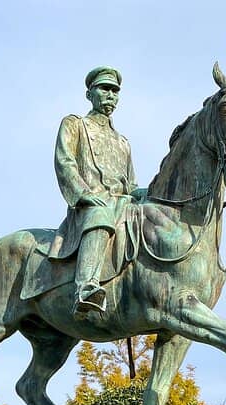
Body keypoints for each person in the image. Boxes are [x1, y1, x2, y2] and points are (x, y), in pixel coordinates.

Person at [54, 66, 139, 314]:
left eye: (115, 91)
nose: (111, 95)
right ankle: (86, 287)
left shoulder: (123, 142)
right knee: (100, 214)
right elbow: (65, 162)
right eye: (105, 89)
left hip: (123, 205)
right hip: (90, 206)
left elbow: (131, 185)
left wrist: (146, 194)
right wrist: (84, 193)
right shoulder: (75, 125)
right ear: (90, 93)